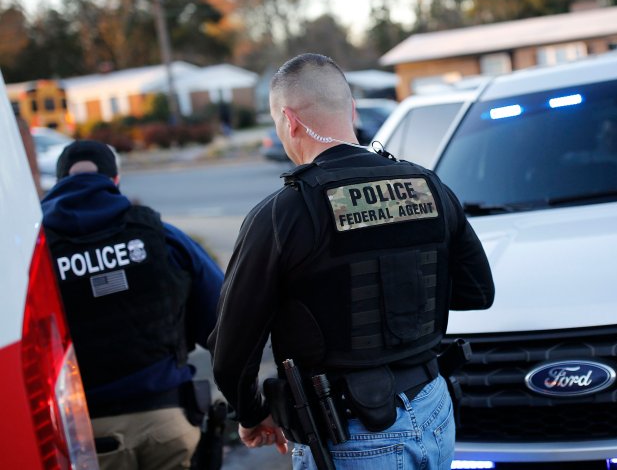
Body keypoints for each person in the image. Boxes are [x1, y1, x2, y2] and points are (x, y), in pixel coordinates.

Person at [209, 53, 495, 469]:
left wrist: (252, 414)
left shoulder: (284, 212)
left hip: (353, 435)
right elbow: (477, 292)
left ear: (289, 121)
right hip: (435, 411)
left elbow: (231, 349)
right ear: (352, 109)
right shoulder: (425, 184)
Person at [41, 140, 224, 470]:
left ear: (59, 185)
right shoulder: (161, 237)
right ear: (115, 181)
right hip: (168, 421)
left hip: (89, 433)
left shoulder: (38, 258)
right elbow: (225, 321)